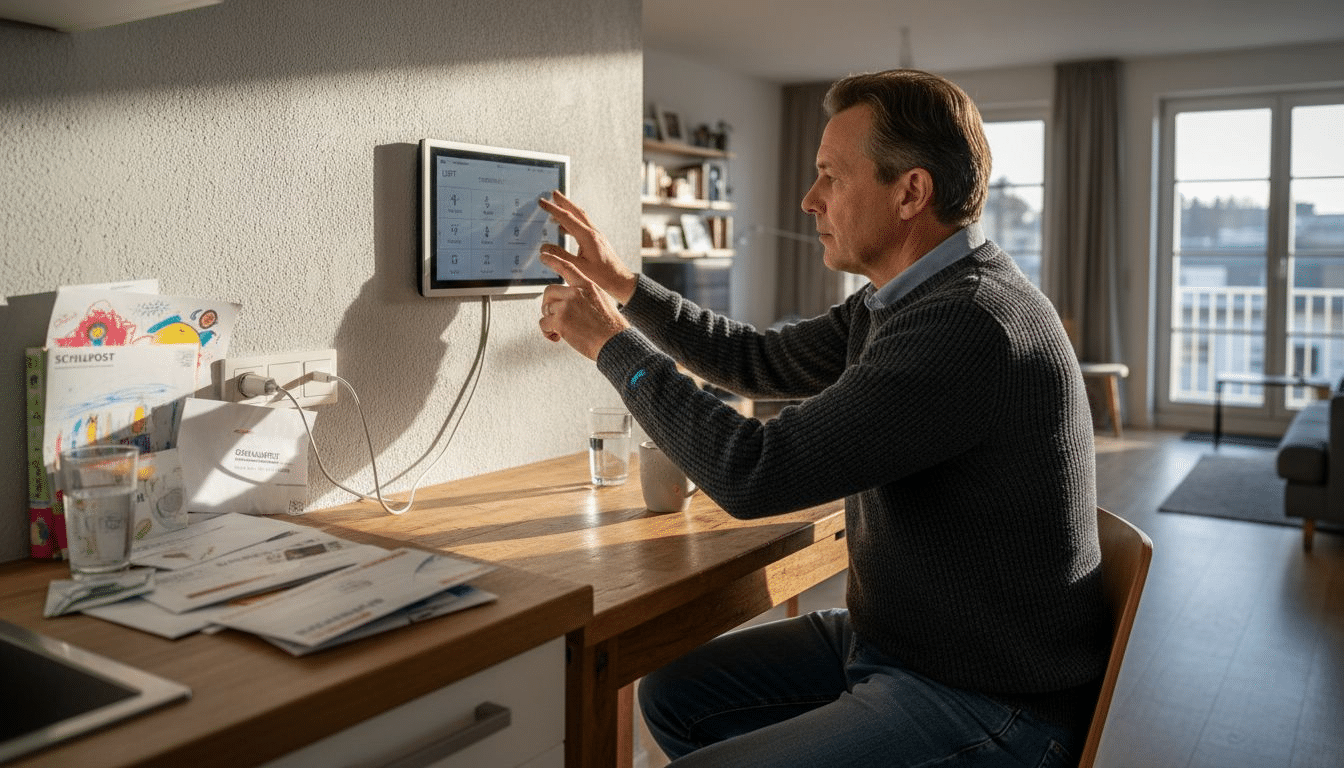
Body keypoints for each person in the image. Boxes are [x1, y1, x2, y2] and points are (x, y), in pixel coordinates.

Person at [535, 68, 1109, 768]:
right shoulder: (900, 300)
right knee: (674, 695)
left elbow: (754, 473)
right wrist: (624, 284)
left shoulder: (969, 323)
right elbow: (754, 359)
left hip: (988, 700)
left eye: (831, 176)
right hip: (901, 645)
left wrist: (612, 344)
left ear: (910, 192)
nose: (809, 199)